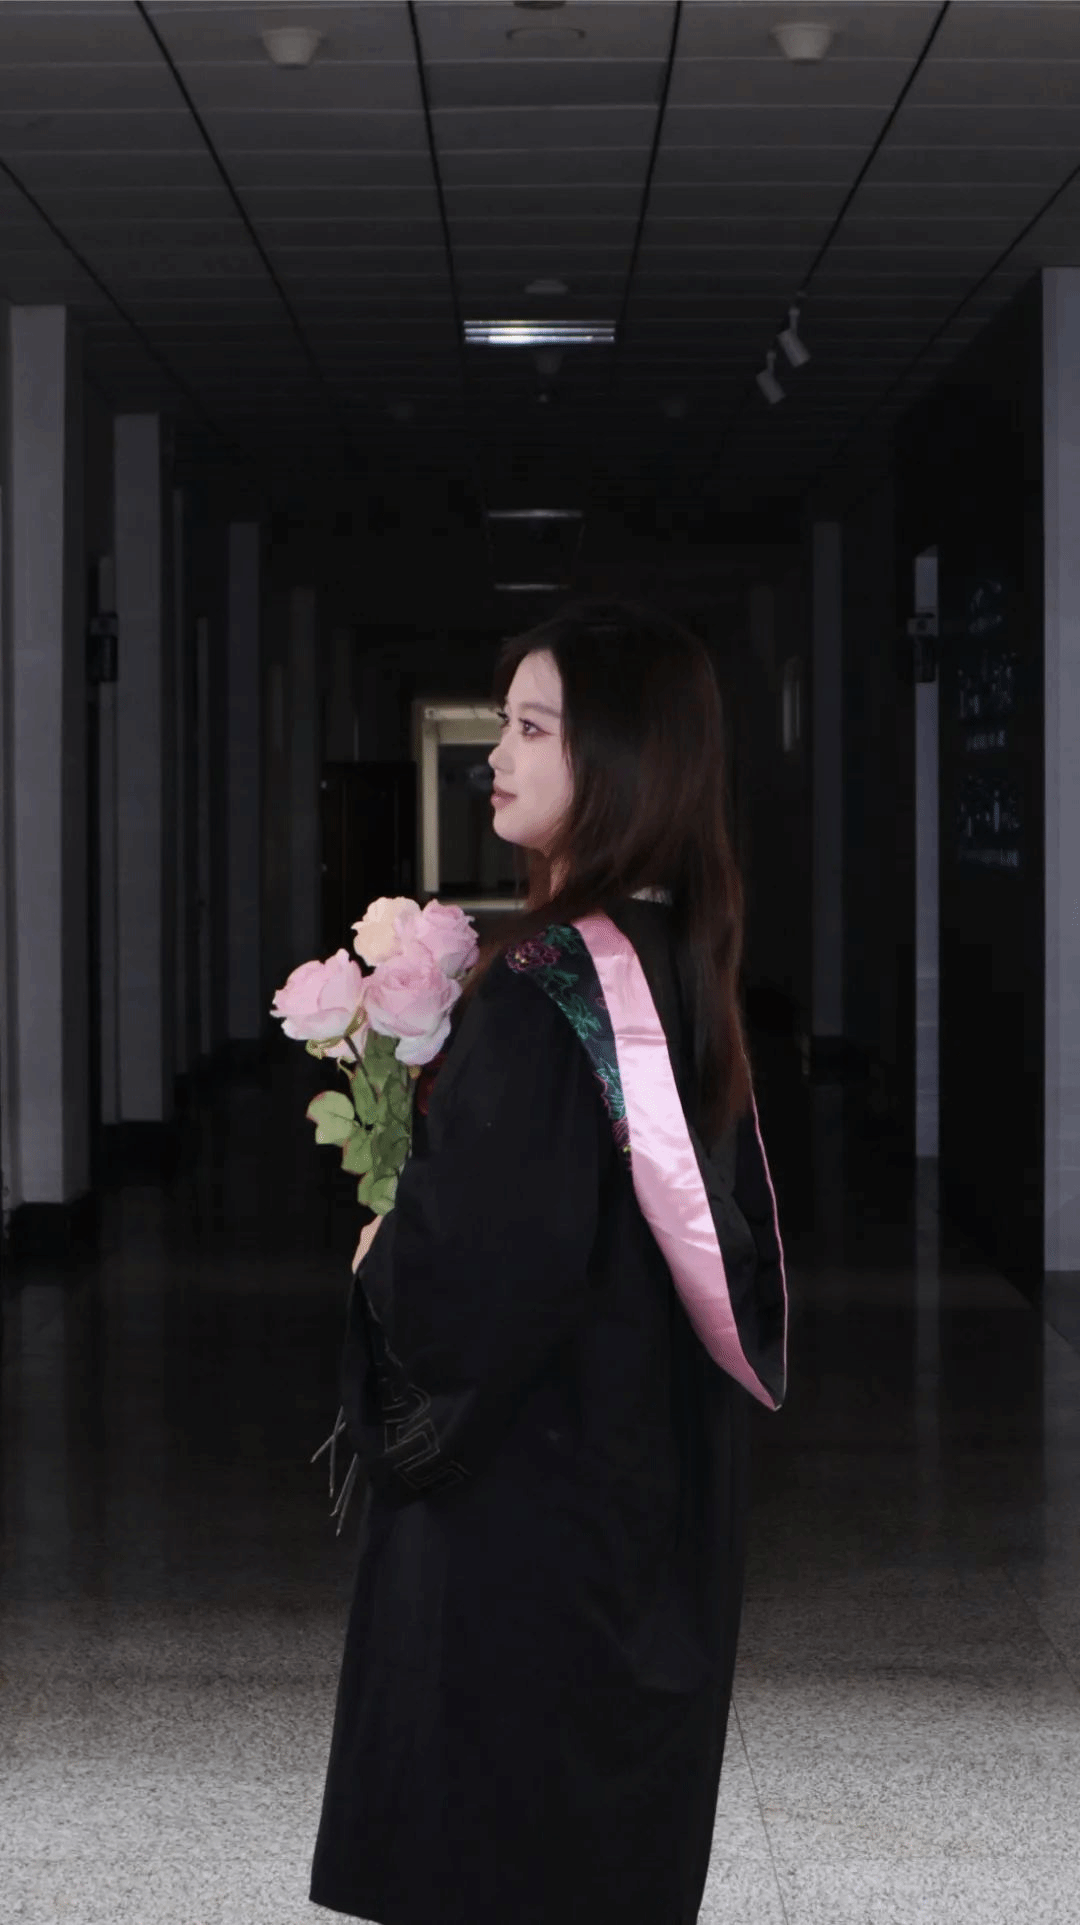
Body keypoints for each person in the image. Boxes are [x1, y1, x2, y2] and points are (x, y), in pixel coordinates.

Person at [309, 598, 788, 1925]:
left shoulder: (546, 991)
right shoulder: (681, 957)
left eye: (533, 728)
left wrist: (385, 1251)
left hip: (530, 1516)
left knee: (505, 1847)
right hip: (637, 1481)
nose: (497, 755)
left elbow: (477, 1286)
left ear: (622, 758)